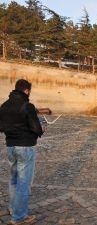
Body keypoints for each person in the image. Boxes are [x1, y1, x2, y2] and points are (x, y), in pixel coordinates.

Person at [0, 79, 44, 225]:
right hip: (25, 147)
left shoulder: (4, 105)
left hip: (10, 146)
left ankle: (13, 209)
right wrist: (41, 130)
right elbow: (36, 128)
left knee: (13, 180)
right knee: (23, 182)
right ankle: (19, 217)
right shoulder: (27, 105)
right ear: (26, 90)